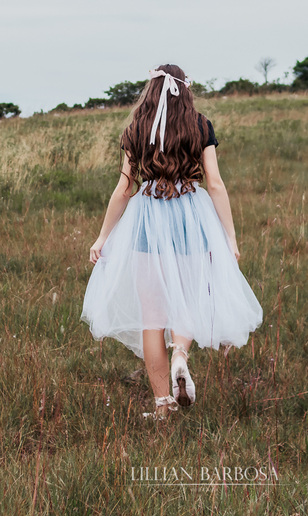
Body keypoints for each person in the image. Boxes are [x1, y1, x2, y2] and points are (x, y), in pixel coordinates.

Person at [80, 64, 263, 420]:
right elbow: (215, 182)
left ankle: (163, 405)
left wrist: (103, 236)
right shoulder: (200, 125)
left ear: (151, 91)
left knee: (152, 317)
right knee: (188, 300)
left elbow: (123, 189)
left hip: (148, 215)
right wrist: (229, 235)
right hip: (191, 217)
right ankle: (181, 353)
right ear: (185, 91)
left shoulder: (136, 128)